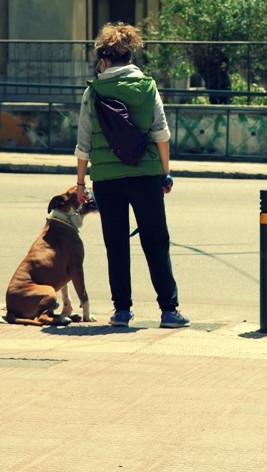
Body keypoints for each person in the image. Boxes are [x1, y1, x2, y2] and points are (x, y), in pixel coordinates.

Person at [74, 22, 189, 329]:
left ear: (103, 59)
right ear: (130, 56)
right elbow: (161, 135)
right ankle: (169, 311)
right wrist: (165, 174)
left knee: (116, 244)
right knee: (156, 242)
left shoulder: (93, 92)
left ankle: (122, 311)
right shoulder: (147, 87)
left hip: (107, 181)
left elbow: (83, 143)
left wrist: (80, 183)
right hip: (145, 175)